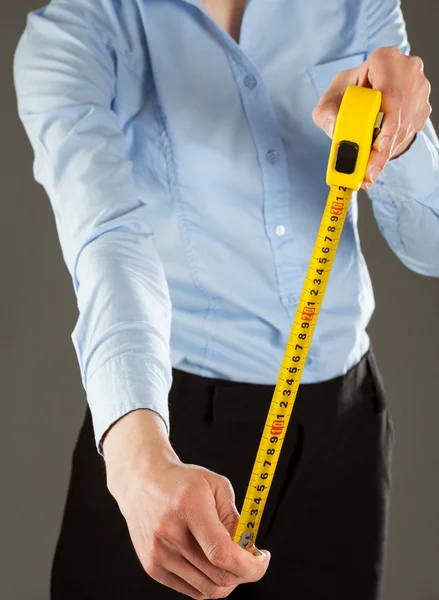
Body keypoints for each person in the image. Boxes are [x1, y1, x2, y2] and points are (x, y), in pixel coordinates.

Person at [13, 0, 438, 598]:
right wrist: (138, 464)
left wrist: (400, 138)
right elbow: (109, 243)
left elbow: (432, 247)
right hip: (171, 439)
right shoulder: (78, 32)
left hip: (345, 429)